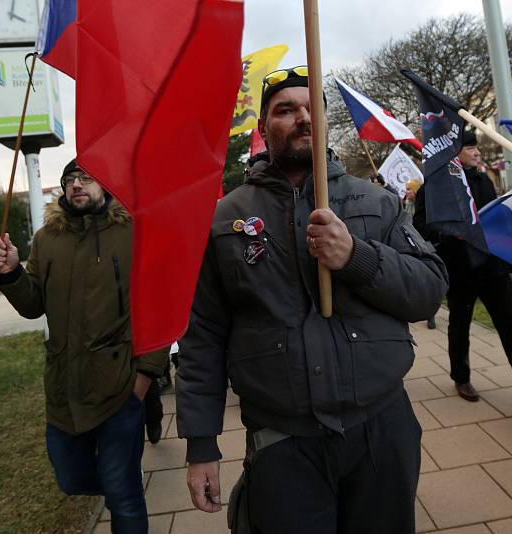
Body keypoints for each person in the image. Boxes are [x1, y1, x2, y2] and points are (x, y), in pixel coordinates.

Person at [176, 66, 447, 533]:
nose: (302, 118)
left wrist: (356, 257)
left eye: (311, 108)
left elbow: (428, 292)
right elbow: (203, 337)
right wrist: (202, 444)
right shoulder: (224, 220)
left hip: (381, 431)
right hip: (284, 442)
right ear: (263, 129)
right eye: (285, 110)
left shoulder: (376, 202)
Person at [0, 160, 170, 533]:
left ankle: (125, 492)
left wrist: (146, 376)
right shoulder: (47, 239)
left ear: (105, 185)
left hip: (119, 389)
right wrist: (11, 273)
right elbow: (32, 304)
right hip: (64, 390)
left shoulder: (132, 231)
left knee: (125, 498)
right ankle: (122, 486)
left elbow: (158, 305)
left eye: (85, 177)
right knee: (71, 479)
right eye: (70, 179)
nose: (76, 184)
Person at [413, 131, 512, 418]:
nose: (476, 152)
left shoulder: (483, 180)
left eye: (475, 147)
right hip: (460, 271)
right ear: (454, 153)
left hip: (492, 269)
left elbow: (495, 218)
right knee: (460, 326)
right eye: (470, 148)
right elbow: (421, 226)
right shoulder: (433, 187)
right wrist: (450, 232)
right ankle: (461, 377)